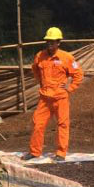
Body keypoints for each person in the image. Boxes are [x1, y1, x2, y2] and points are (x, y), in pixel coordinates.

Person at [24, 27, 84, 161]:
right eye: (48, 41)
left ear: (59, 42)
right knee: (37, 123)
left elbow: (78, 74)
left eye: (52, 41)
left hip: (60, 98)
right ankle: (34, 152)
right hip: (44, 98)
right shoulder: (40, 56)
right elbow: (35, 70)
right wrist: (41, 83)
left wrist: (70, 88)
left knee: (63, 124)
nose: (49, 44)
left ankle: (61, 153)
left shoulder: (66, 57)